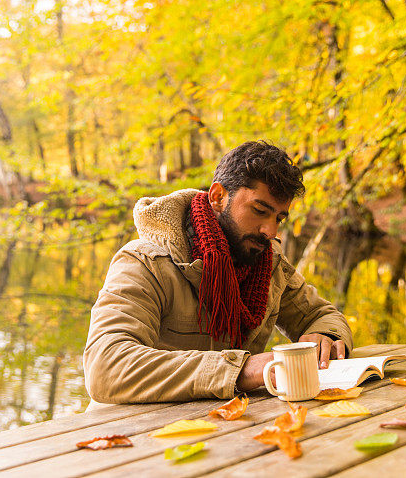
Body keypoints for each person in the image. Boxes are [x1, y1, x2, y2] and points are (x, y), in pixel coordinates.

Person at [83, 141, 353, 403]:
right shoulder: (145, 262)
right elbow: (105, 366)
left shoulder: (267, 263)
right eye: (260, 210)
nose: (270, 231)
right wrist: (241, 370)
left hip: (225, 431)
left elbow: (321, 315)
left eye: (279, 218)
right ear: (218, 197)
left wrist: (326, 336)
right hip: (129, 436)